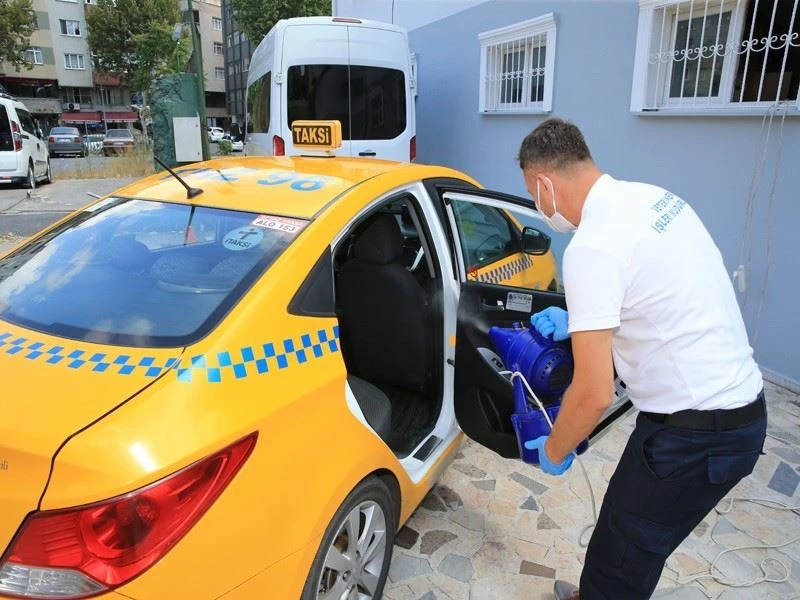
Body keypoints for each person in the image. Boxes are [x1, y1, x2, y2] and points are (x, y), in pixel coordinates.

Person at [517, 118, 766, 599]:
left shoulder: (591, 246)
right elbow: (658, 292)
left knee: (622, 556)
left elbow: (593, 394)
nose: (538, 207)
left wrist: (555, 449)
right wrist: (580, 321)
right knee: (629, 542)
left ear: (545, 184)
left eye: (533, 195)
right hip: (739, 411)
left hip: (693, 436)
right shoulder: (657, 200)